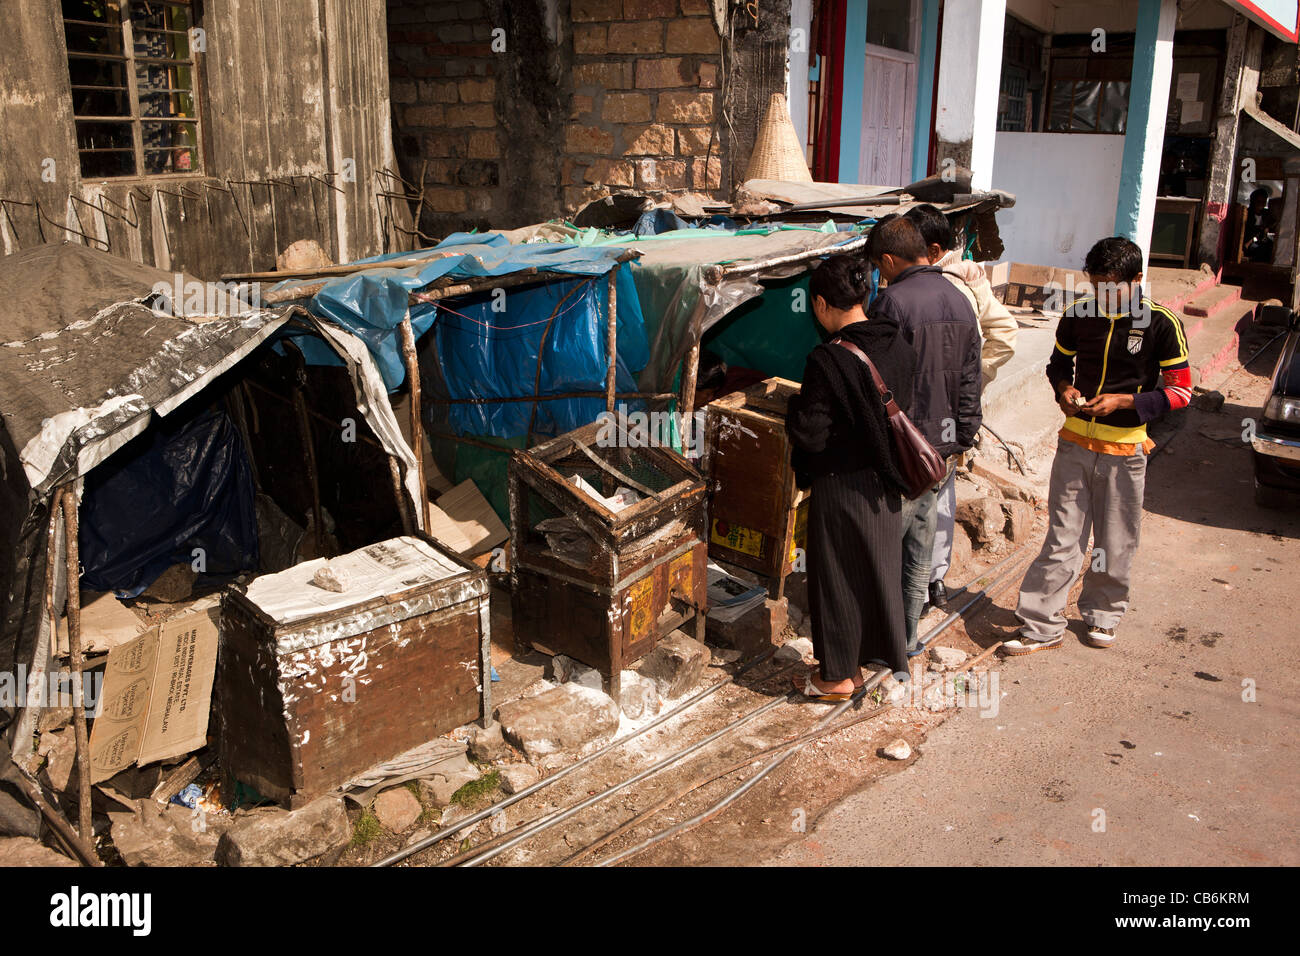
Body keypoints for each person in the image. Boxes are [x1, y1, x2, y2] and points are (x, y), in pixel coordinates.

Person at [1006, 236, 1190, 655]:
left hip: (1126, 453)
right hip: (1074, 445)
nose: (1102, 296)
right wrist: (1064, 390)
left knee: (1116, 540)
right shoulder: (1077, 316)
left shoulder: (1161, 324)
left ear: (1137, 279)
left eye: (1111, 287)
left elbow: (1181, 394)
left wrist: (1127, 401)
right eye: (1096, 286)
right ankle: (1039, 625)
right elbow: (1057, 365)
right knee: (1061, 537)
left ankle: (1104, 614)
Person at [785, 254, 917, 699]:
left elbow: (813, 433)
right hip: (886, 483)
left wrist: (793, 411)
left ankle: (838, 676)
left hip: (842, 484)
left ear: (821, 303)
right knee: (876, 571)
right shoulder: (898, 342)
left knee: (837, 577)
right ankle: (868, 661)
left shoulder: (828, 359)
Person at [866, 216, 982, 656]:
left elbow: (879, 384)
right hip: (942, 450)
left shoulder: (891, 304)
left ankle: (884, 640)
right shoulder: (960, 299)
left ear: (890, 260)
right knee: (920, 549)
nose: (879, 275)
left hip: (904, 451)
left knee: (887, 547)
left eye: (880, 266)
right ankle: (909, 636)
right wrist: (963, 437)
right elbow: (971, 378)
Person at [904, 204, 1018, 612]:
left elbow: (1004, 334)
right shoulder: (907, 280)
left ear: (932, 250)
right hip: (912, 405)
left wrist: (972, 379)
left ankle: (933, 579)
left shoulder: (966, 279)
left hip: (948, 407)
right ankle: (916, 579)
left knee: (941, 493)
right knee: (919, 491)